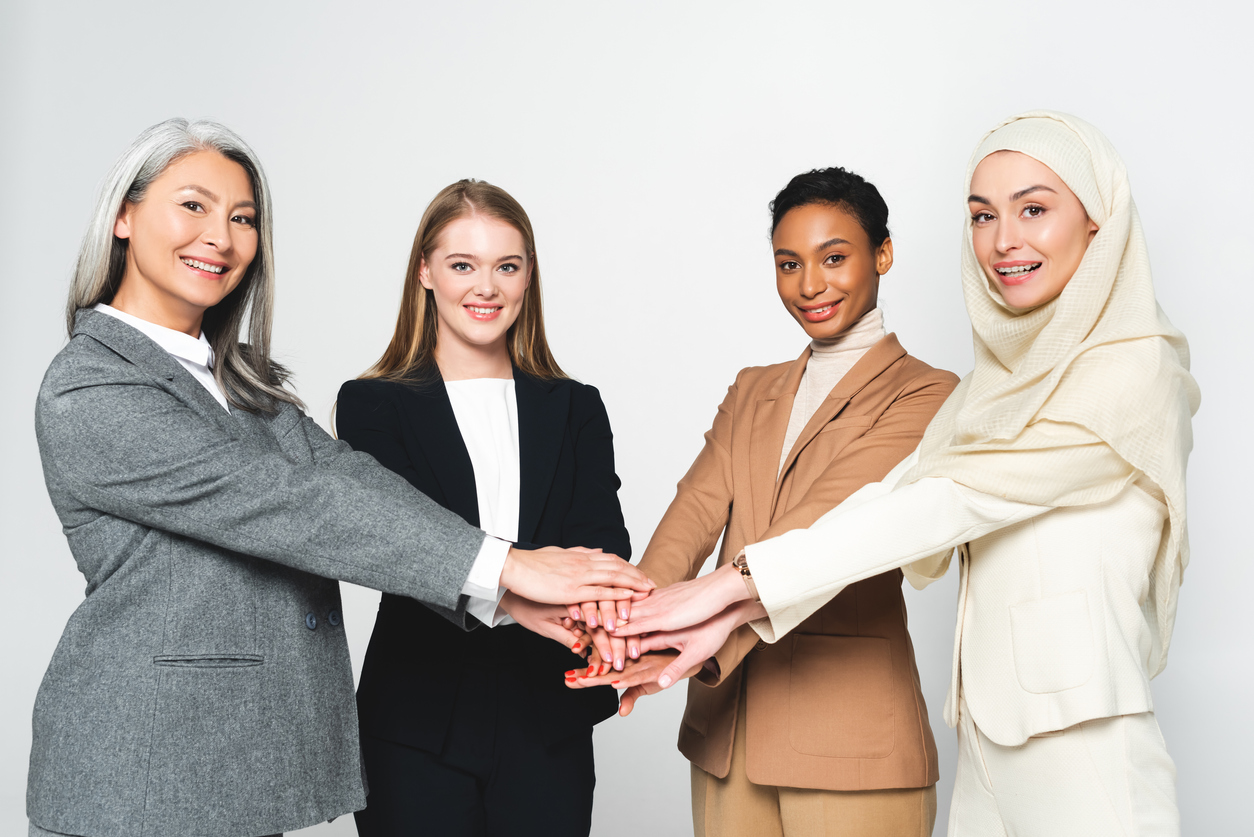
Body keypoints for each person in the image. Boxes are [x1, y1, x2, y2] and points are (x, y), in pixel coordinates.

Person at [27, 119, 649, 837]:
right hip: (136, 776)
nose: (221, 237)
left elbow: (346, 477)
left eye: (243, 218)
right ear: (125, 216)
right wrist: (508, 563)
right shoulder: (93, 386)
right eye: (193, 205)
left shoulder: (240, 382)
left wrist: (511, 593)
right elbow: (290, 504)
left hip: (238, 766)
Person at [610, 111, 1198, 836]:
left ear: (1100, 222)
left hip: (1084, 742)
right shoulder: (996, 387)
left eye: (1034, 209)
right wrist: (708, 606)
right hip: (985, 741)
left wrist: (729, 590)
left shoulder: (1134, 371)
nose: (1003, 239)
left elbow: (943, 504)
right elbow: (898, 494)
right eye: (982, 215)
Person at [572, 168, 956, 836]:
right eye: (789, 263)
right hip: (727, 738)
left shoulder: (927, 392)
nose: (810, 284)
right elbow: (694, 510)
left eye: (834, 257)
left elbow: (825, 526)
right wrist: (631, 622)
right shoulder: (752, 389)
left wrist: (688, 630)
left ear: (883, 255)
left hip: (852, 744)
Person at [336, 179, 630, 836]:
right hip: (415, 719)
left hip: (548, 715)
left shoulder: (575, 405)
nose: (486, 286)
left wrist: (591, 596)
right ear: (426, 273)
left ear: (528, 278)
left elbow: (601, 541)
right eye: (462, 264)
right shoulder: (371, 403)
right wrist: (526, 572)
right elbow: (395, 545)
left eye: (507, 265)